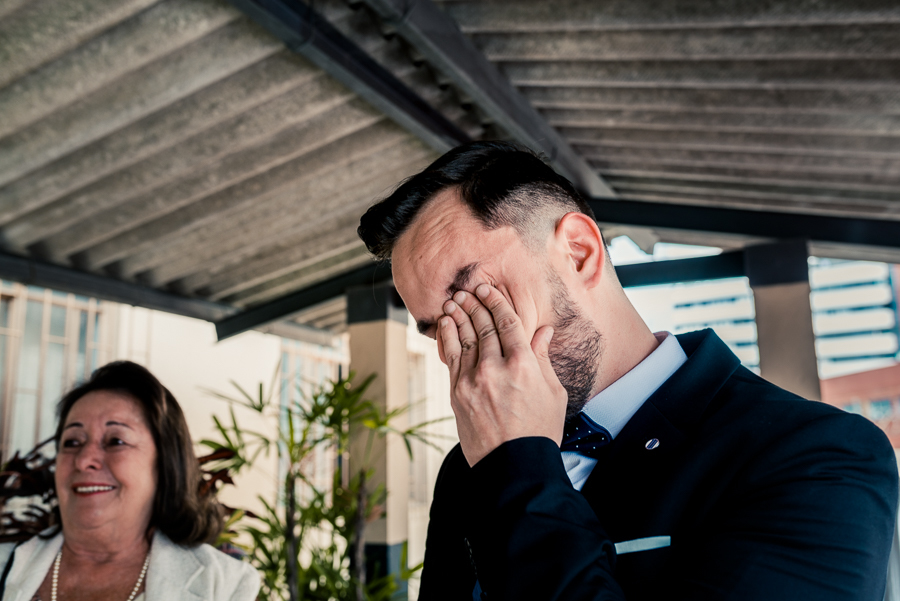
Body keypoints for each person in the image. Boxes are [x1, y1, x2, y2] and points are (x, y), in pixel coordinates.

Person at [357, 141, 899, 600]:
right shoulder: (470, 468)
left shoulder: (819, 457)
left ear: (578, 252)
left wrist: (519, 470)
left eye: (475, 300)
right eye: (438, 330)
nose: (465, 347)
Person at [0, 361, 259, 601]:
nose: (83, 460)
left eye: (116, 441)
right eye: (72, 442)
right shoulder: (5, 566)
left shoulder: (225, 585)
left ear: (165, 464)